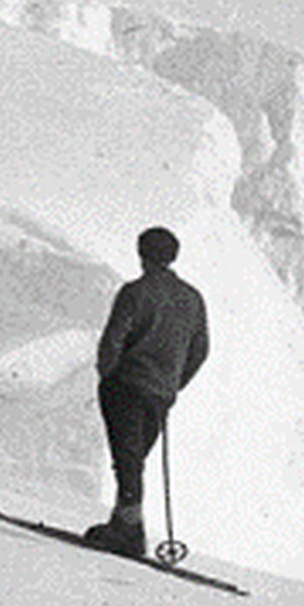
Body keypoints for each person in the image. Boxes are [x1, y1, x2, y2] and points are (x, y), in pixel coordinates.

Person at [85, 226, 209, 558]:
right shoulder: (193, 299)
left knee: (127, 457)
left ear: (142, 254)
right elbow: (200, 350)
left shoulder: (134, 293)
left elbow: (112, 341)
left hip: (126, 385)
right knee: (134, 457)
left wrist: (107, 377)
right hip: (161, 393)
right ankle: (122, 522)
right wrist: (173, 382)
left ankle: (129, 530)